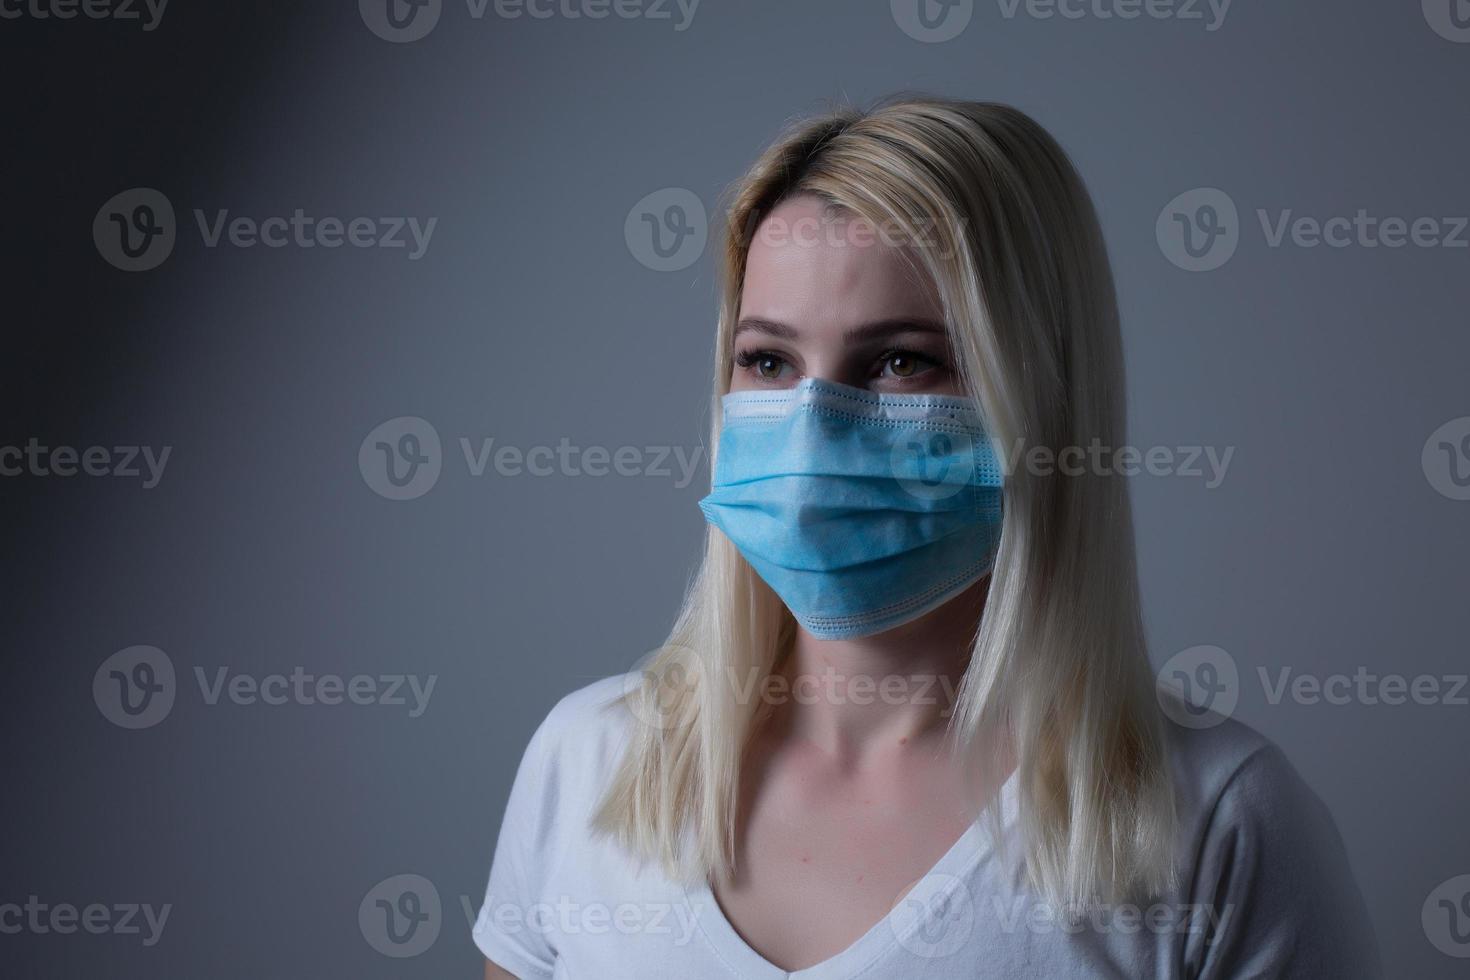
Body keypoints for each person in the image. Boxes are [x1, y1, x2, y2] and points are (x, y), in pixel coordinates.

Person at [472, 95, 1382, 979]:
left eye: (903, 360)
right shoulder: (591, 762)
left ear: (1041, 398)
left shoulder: (1216, 825)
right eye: (769, 361)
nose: (811, 427)